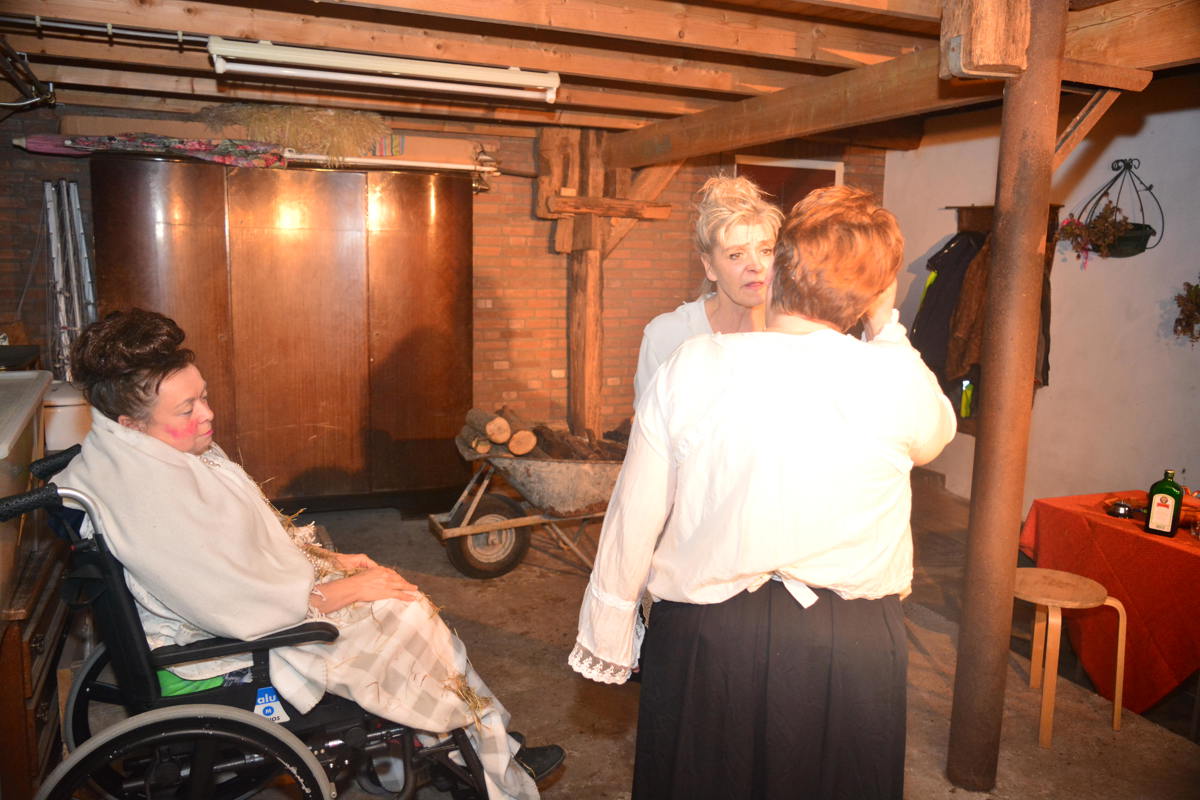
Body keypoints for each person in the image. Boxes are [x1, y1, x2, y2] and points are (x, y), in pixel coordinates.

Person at [59, 309, 563, 800]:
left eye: (203, 397)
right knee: (405, 609)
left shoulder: (145, 458)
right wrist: (340, 591)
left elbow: (240, 551)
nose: (207, 414)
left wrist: (332, 562)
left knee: (388, 593)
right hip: (227, 644)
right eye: (187, 410)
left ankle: (469, 744)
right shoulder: (154, 499)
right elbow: (235, 604)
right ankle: (466, 755)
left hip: (243, 611)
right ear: (131, 423)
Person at [570, 186, 957, 800]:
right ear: (872, 291)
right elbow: (936, 432)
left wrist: (611, 621)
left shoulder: (693, 365)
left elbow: (635, 510)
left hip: (711, 635)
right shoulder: (892, 374)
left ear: (780, 267)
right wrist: (885, 324)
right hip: (846, 642)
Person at [632, 174, 784, 405]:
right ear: (709, 266)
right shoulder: (668, 335)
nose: (756, 265)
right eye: (736, 255)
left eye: (765, 251)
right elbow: (649, 422)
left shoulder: (794, 335)